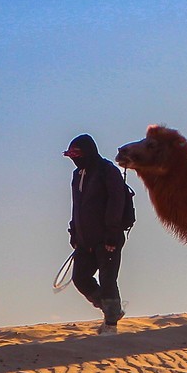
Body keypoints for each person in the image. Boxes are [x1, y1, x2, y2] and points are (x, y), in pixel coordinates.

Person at [64, 134, 127, 333]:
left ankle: (111, 326)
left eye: (76, 153)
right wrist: (75, 232)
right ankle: (112, 310)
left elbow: (117, 202)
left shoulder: (108, 171)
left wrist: (112, 234)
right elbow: (78, 207)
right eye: (70, 154)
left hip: (108, 239)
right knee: (80, 278)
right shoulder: (77, 174)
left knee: (108, 280)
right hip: (84, 241)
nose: (74, 157)